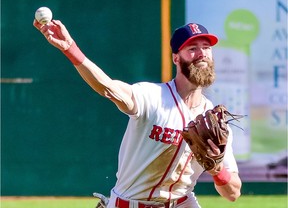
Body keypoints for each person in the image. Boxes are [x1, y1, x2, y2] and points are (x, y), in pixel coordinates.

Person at [33, 19, 242, 208]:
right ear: (176, 58)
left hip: (182, 203)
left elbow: (233, 193)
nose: (202, 53)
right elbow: (107, 87)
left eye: (206, 47)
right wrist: (71, 49)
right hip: (130, 203)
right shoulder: (152, 96)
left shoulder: (214, 122)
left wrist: (217, 170)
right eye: (193, 48)